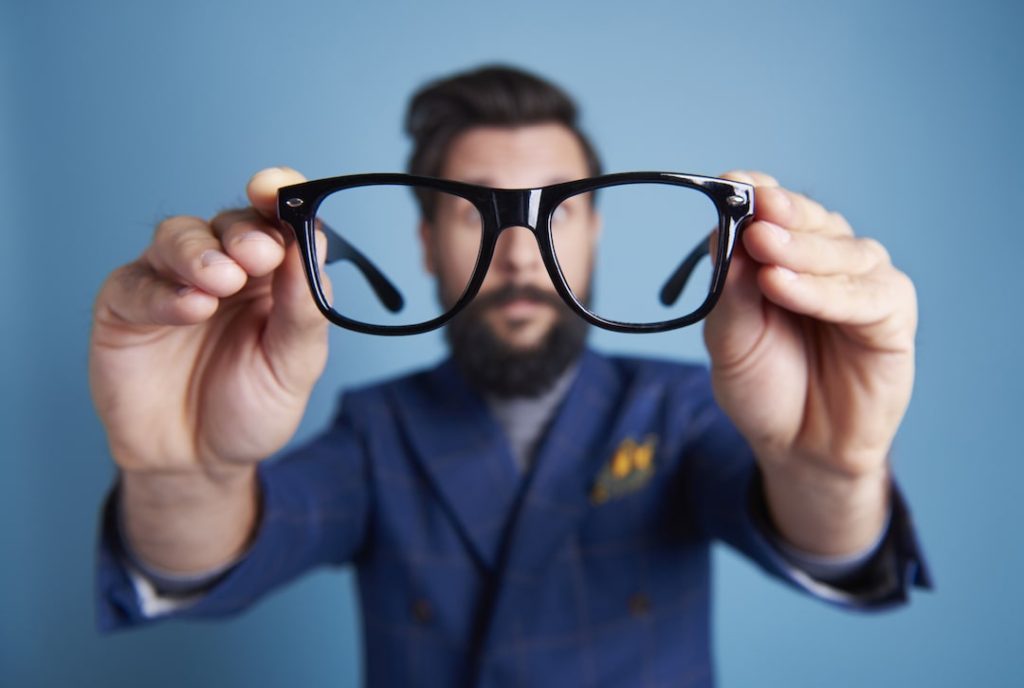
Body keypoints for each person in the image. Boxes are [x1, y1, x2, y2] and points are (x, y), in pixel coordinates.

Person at [91, 65, 931, 686]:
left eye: (559, 209)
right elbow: (225, 555)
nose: (521, 252)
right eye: (472, 209)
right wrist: (184, 476)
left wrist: (829, 468)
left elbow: (823, 540)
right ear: (424, 244)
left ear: (598, 231)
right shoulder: (376, 432)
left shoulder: (682, 410)